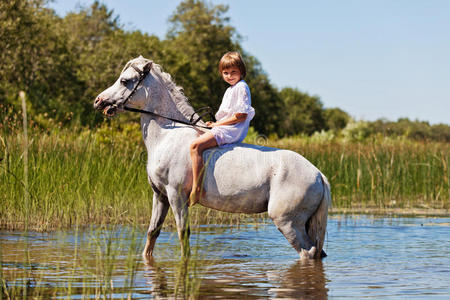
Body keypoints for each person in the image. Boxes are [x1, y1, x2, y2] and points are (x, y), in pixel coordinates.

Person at [189, 51, 255, 206]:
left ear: (241, 72)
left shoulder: (241, 87)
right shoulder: (230, 89)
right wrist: (214, 124)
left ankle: (198, 188)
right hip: (226, 127)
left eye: (233, 72)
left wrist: (217, 125)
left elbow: (241, 116)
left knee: (195, 146)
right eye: (225, 73)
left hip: (232, 130)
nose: (229, 76)